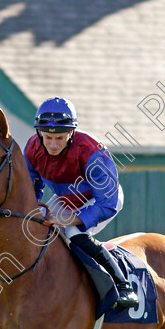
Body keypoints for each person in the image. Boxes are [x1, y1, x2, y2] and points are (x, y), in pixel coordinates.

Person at [24, 96, 138, 308]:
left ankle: (122, 286)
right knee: (39, 231)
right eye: (47, 137)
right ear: (39, 133)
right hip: (65, 198)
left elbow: (108, 203)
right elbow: (33, 187)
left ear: (71, 132)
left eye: (60, 138)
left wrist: (72, 218)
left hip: (99, 199)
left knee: (74, 234)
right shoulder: (32, 148)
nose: (52, 144)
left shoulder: (92, 152)